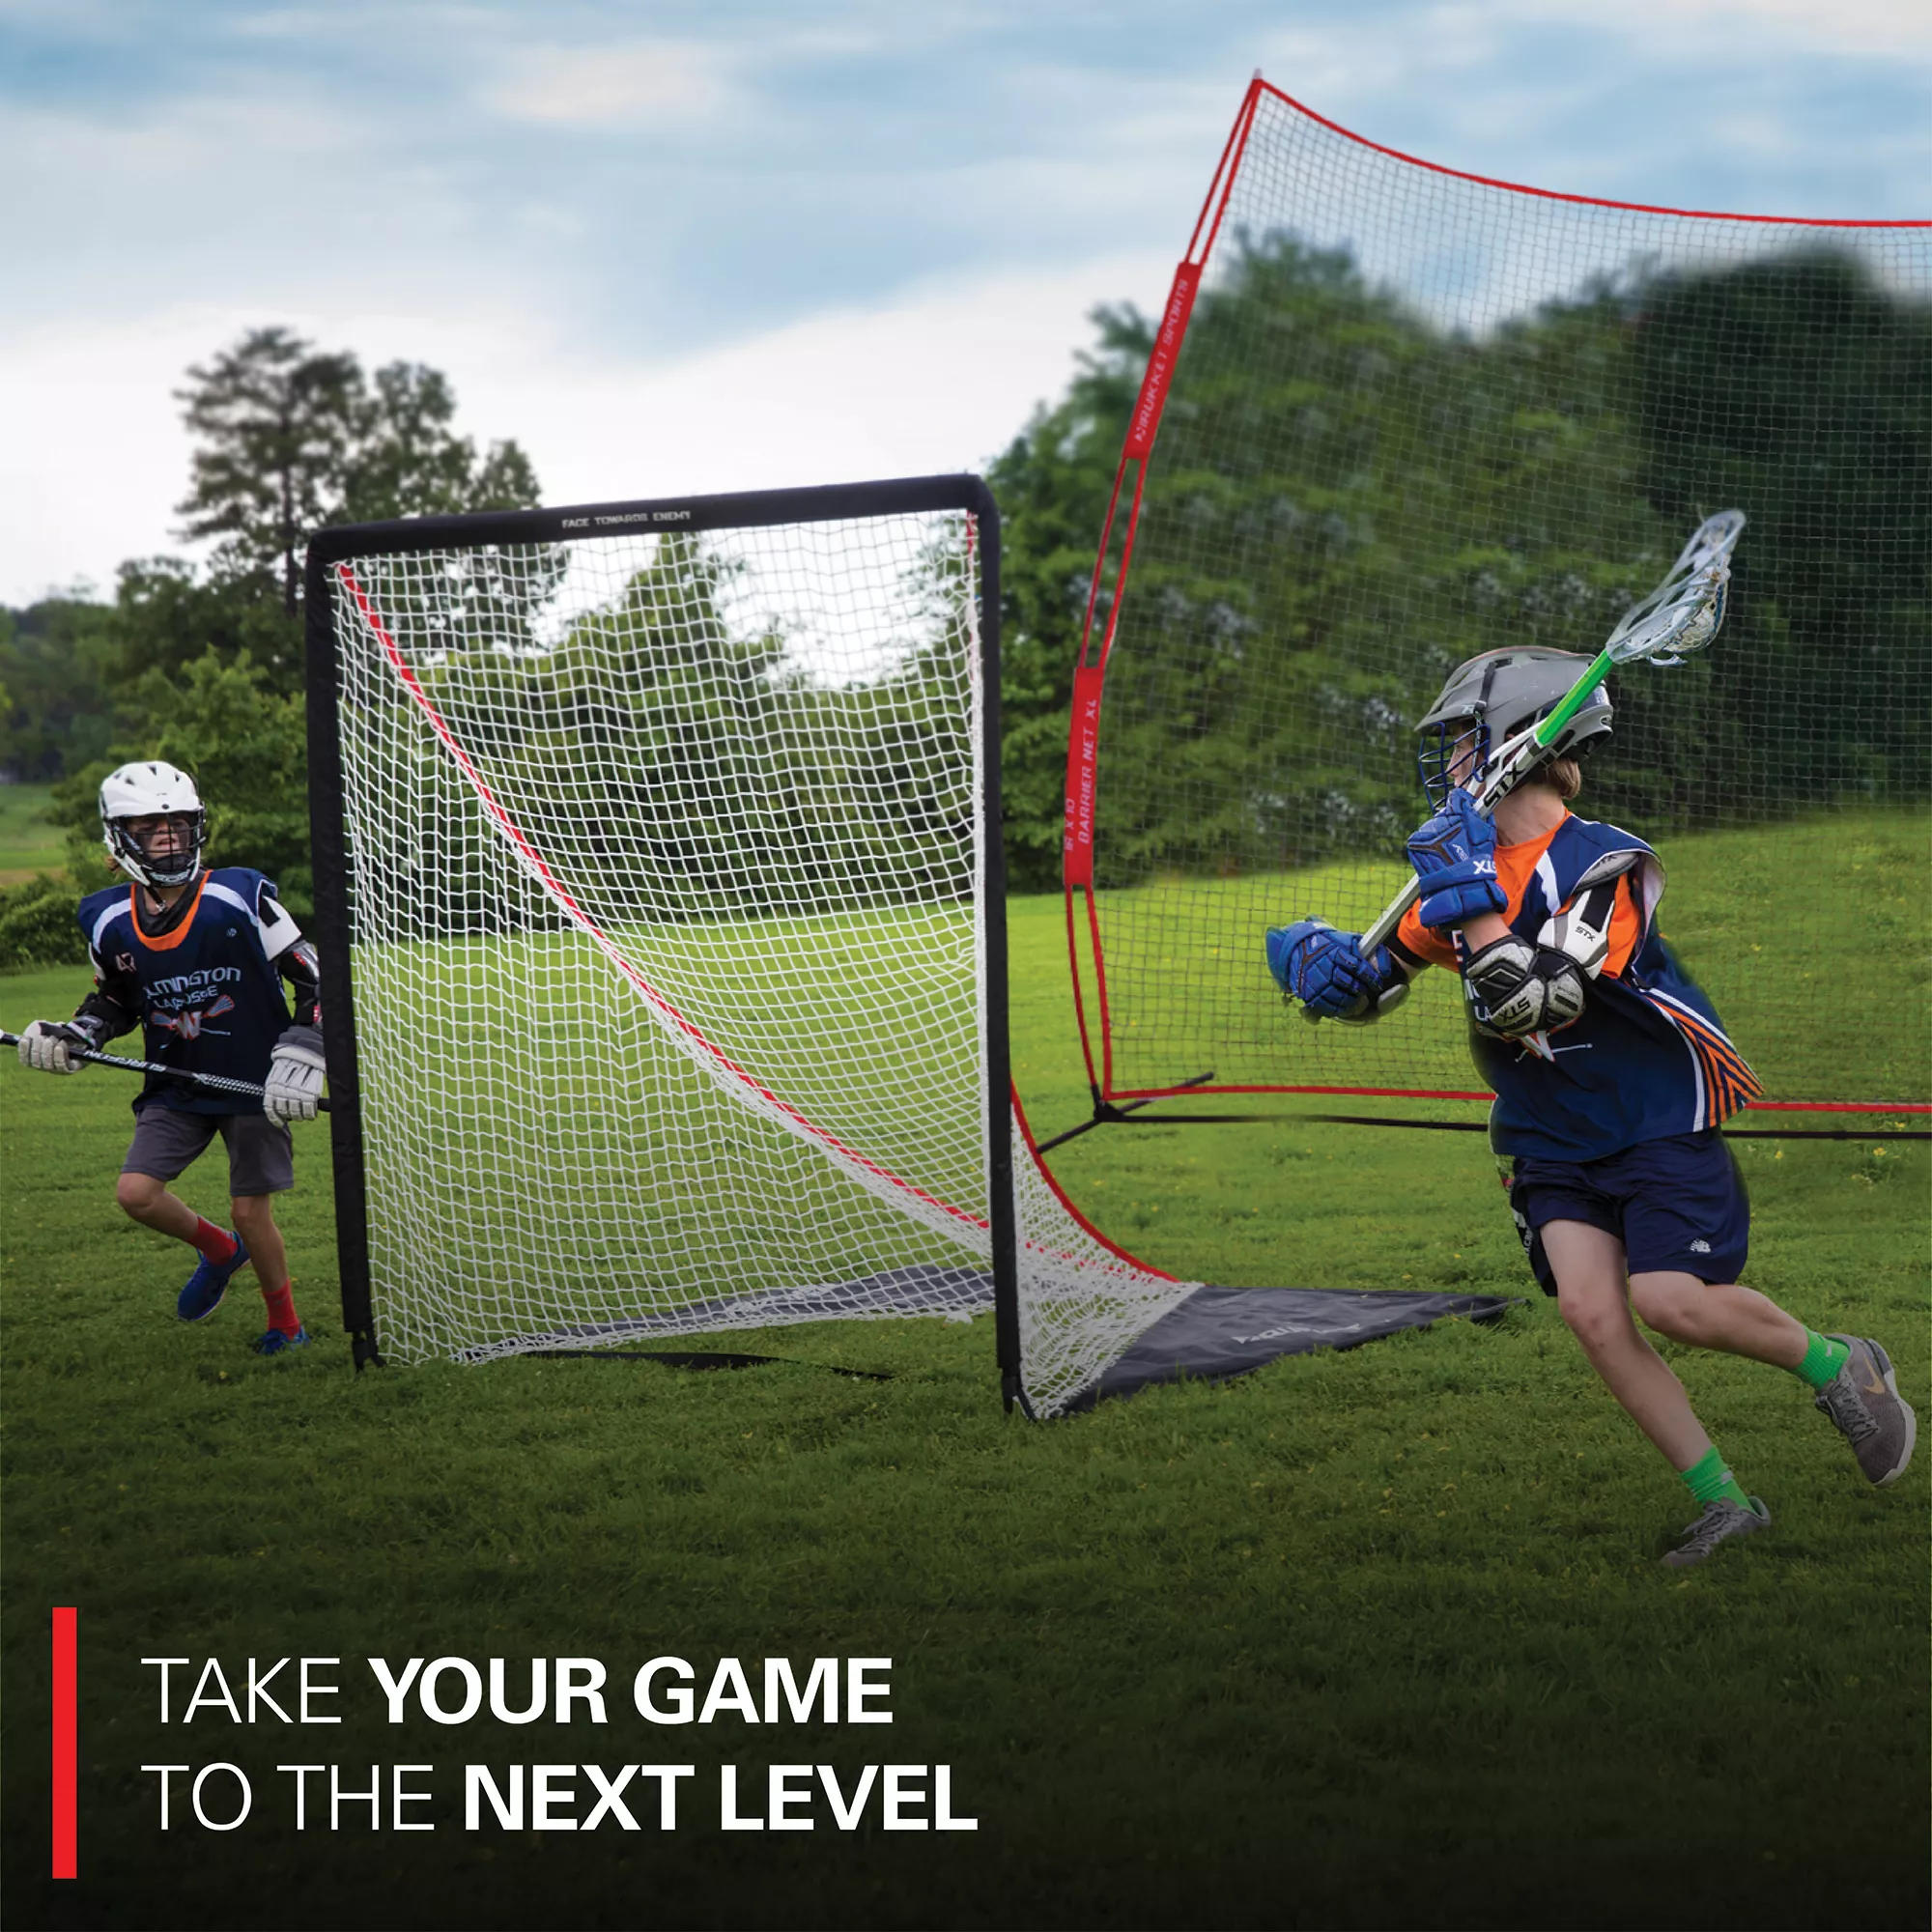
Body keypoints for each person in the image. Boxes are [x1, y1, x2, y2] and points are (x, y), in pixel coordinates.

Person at [1266, 647, 1917, 1567]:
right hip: (1549, 1132)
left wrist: (1469, 900)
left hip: (1651, 1121)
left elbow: (1535, 998)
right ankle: (1725, 1503)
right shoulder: (1459, 864)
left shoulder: (1602, 861)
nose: (1449, 761)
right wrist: (1329, 967)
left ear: (1521, 742)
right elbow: (1386, 976)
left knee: (1671, 1302)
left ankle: (1839, 1364)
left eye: (1463, 740)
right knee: (1593, 1313)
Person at [15, 761, 330, 1355]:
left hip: (255, 1082)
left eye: (178, 826)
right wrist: (79, 1033)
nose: (168, 839)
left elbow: (316, 981)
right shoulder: (106, 918)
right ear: (118, 838)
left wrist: (306, 1047)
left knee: (251, 1212)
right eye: (149, 830)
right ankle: (219, 1251)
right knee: (136, 1193)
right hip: (175, 1080)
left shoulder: (241, 895)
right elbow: (117, 998)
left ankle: (286, 1325)